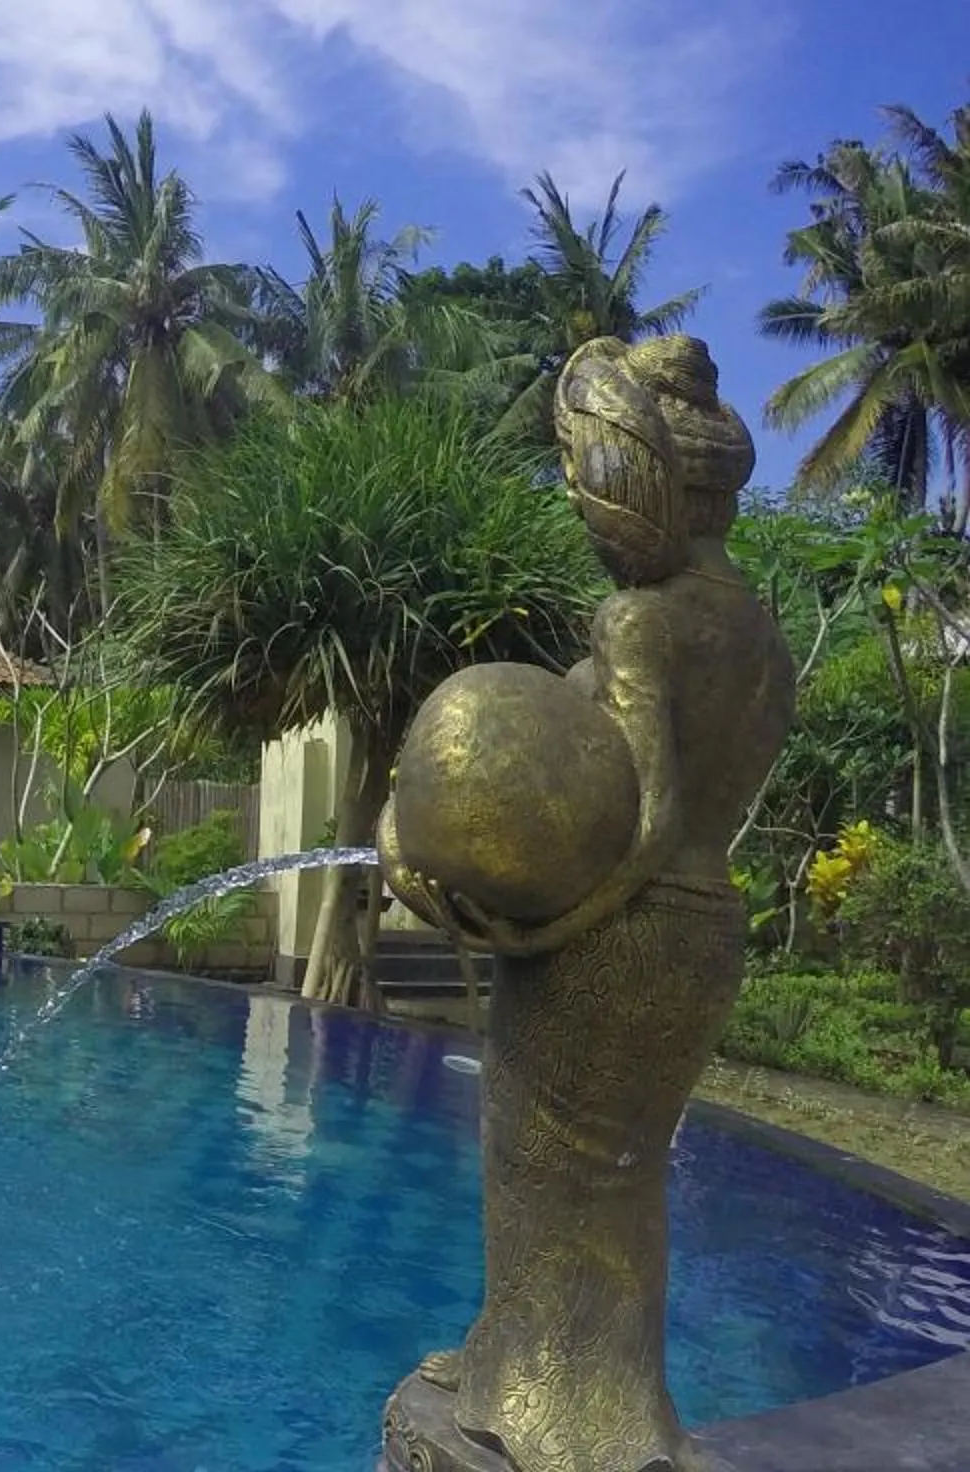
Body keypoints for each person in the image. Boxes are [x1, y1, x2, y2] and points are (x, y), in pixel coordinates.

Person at [382, 335, 796, 1472]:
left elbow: (647, 812)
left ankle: (566, 1416)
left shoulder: (640, 621)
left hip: (615, 926)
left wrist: (539, 924)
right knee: (618, 1168)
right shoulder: (762, 633)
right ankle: (541, 1372)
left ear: (651, 483)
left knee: (543, 1160)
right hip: (704, 929)